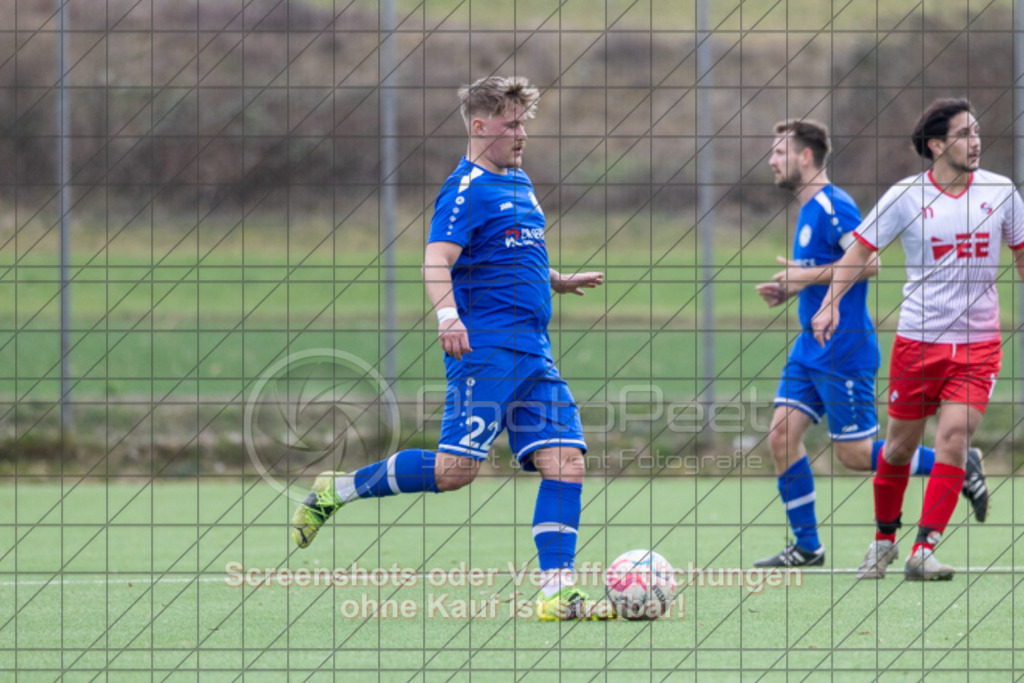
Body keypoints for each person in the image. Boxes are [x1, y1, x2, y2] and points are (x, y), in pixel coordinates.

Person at [291, 75, 607, 618]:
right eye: (512, 124)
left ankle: (557, 593)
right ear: (480, 126)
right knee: (454, 473)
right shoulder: (465, 189)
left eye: (524, 123)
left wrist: (553, 279)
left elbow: (509, 250)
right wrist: (447, 315)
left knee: (566, 461)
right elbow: (436, 260)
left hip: (534, 350)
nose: (522, 134)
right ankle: (335, 490)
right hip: (486, 350)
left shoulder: (519, 181)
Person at [753, 119, 987, 569]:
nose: (772, 160)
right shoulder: (808, 209)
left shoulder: (834, 205)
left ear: (805, 156)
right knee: (781, 435)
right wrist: (793, 288)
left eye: (780, 152)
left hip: (843, 350)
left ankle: (955, 463)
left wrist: (804, 276)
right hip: (810, 347)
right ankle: (807, 547)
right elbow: (826, 271)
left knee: (856, 456)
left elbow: (870, 263)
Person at [812, 98, 1020, 580]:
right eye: (964, 134)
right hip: (918, 343)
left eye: (977, 132)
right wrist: (830, 303)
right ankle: (884, 541)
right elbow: (859, 251)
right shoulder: (906, 196)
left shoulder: (1001, 191)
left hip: (979, 346)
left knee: (954, 438)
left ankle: (924, 548)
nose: (976, 142)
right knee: (898, 450)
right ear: (936, 145)